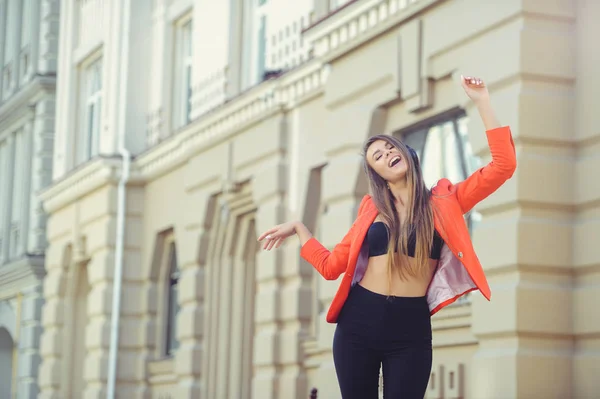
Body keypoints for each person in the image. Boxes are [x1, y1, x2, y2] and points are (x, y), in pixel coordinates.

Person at [257, 75, 517, 399]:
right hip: (357, 325)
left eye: (389, 147)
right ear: (377, 175)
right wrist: (300, 230)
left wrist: (482, 102)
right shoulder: (372, 211)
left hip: (411, 329)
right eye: (377, 157)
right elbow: (331, 267)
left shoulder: (444, 202)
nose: (386, 154)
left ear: (406, 153)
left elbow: (503, 166)